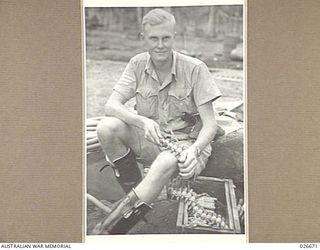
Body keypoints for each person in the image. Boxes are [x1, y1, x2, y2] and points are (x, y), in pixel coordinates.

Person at [92, 8, 221, 234]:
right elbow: (111, 105)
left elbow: (210, 125)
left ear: (174, 37)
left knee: (163, 161)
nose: (160, 45)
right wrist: (141, 121)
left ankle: (109, 230)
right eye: (153, 38)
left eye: (166, 38)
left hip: (186, 148)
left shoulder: (195, 68)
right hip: (152, 139)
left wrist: (195, 150)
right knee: (107, 127)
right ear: (144, 39)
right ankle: (138, 200)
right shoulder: (136, 64)